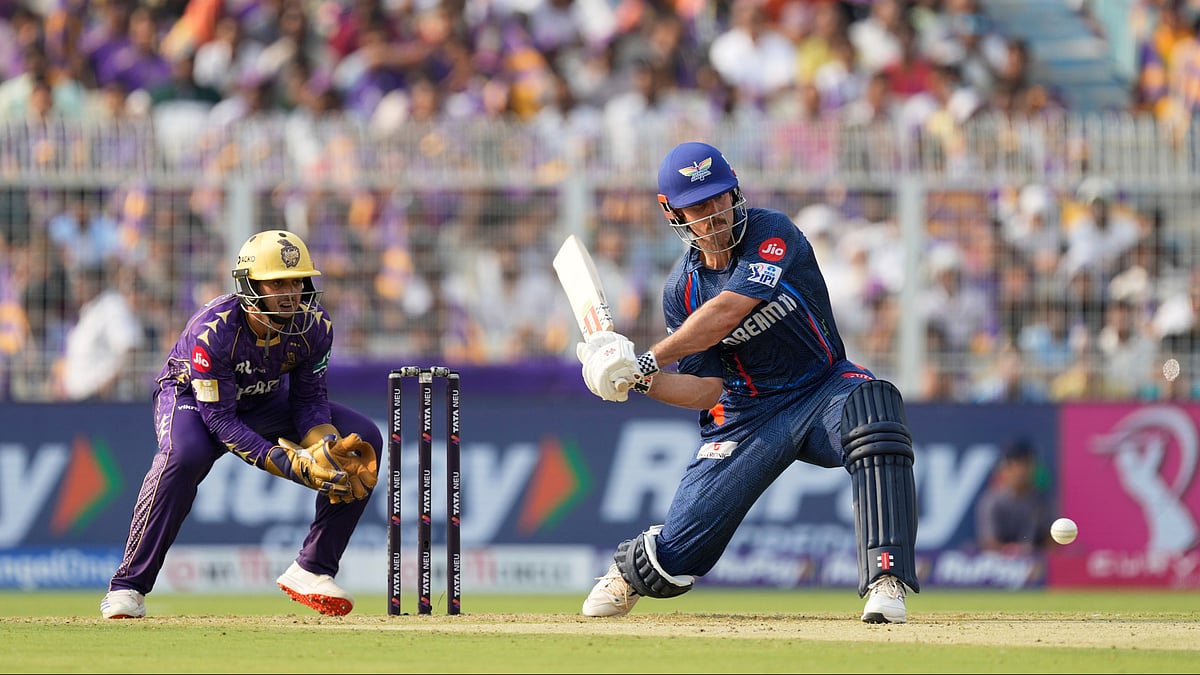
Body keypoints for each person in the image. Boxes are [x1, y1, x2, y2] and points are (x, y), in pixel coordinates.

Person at [575, 141, 920, 624]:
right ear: (673, 213)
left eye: (719, 197)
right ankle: (630, 571)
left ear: (735, 190)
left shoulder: (771, 231)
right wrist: (636, 379)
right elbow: (705, 390)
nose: (715, 214)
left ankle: (886, 578)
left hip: (823, 387)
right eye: (699, 206)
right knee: (673, 561)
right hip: (745, 417)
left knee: (875, 413)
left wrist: (648, 358)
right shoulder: (682, 290)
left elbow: (729, 310)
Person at [100, 230, 381, 619]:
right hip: (193, 400)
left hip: (264, 398)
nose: (291, 293)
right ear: (250, 285)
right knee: (185, 456)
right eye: (278, 283)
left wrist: (324, 446)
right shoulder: (213, 330)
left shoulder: (316, 325)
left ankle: (312, 568)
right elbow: (219, 419)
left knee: (362, 440)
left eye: (297, 281)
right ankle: (128, 586)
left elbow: (309, 400)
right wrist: (290, 463)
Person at [975, 438, 1052, 554]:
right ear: (1004, 469)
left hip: (1035, 561)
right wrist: (1014, 551)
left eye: (1025, 465)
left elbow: (1051, 542)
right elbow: (988, 543)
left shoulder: (1041, 501)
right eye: (1014, 466)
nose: (1020, 472)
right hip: (999, 562)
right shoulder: (992, 501)